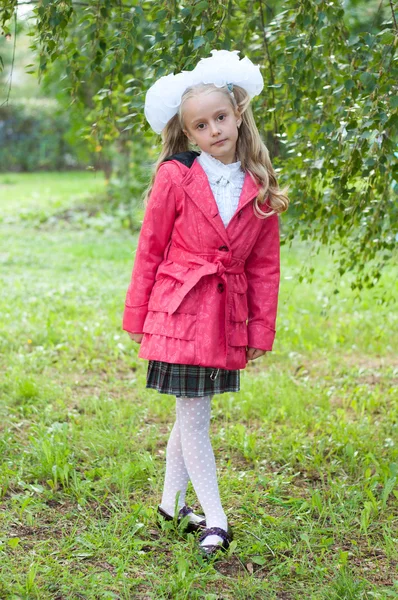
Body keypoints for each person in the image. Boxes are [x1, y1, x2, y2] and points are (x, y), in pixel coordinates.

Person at [122, 49, 289, 559]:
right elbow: (150, 246)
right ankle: (215, 518)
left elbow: (264, 267)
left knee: (192, 413)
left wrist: (260, 330)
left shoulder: (258, 186)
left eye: (221, 117)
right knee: (194, 415)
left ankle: (172, 506)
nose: (214, 129)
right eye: (201, 124)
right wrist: (137, 315)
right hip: (179, 309)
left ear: (238, 114)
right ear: (188, 133)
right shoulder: (174, 176)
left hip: (225, 316)